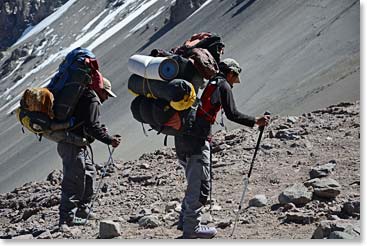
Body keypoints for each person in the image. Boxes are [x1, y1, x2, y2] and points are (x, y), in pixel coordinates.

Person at [174, 58, 270, 239]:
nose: (235, 82)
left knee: (193, 180)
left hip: (181, 136)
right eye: (235, 77)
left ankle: (185, 221)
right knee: (200, 184)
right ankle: (191, 229)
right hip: (197, 139)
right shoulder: (223, 85)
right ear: (231, 72)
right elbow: (232, 113)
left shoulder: (208, 82)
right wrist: (255, 121)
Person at [57, 77, 121, 229]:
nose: (106, 98)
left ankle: (82, 210)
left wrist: (102, 133)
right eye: (106, 94)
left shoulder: (85, 98)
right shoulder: (92, 99)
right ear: (100, 90)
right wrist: (109, 140)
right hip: (72, 145)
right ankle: (66, 219)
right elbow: (92, 127)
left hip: (77, 144)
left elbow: (87, 124)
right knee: (73, 179)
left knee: (89, 173)